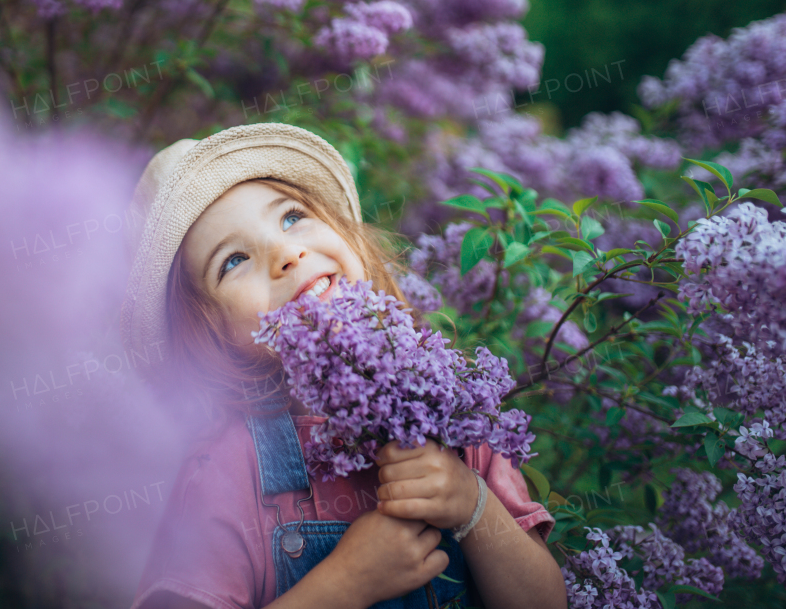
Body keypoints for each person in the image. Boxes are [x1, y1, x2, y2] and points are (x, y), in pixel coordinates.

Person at [120, 124, 567, 609]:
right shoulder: (225, 471)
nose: (287, 254)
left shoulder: (450, 408)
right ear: (208, 337)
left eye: (292, 217)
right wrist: (343, 585)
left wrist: (473, 506)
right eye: (233, 261)